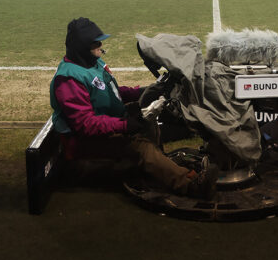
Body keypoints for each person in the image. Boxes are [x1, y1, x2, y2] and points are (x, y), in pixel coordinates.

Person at [49, 17, 218, 199]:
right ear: (82, 47)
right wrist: (124, 125)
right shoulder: (68, 80)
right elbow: (85, 124)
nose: (100, 44)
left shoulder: (91, 62)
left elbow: (110, 91)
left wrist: (141, 92)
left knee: (147, 114)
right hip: (82, 141)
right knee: (141, 147)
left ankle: (156, 165)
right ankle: (192, 186)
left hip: (106, 120)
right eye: (95, 42)